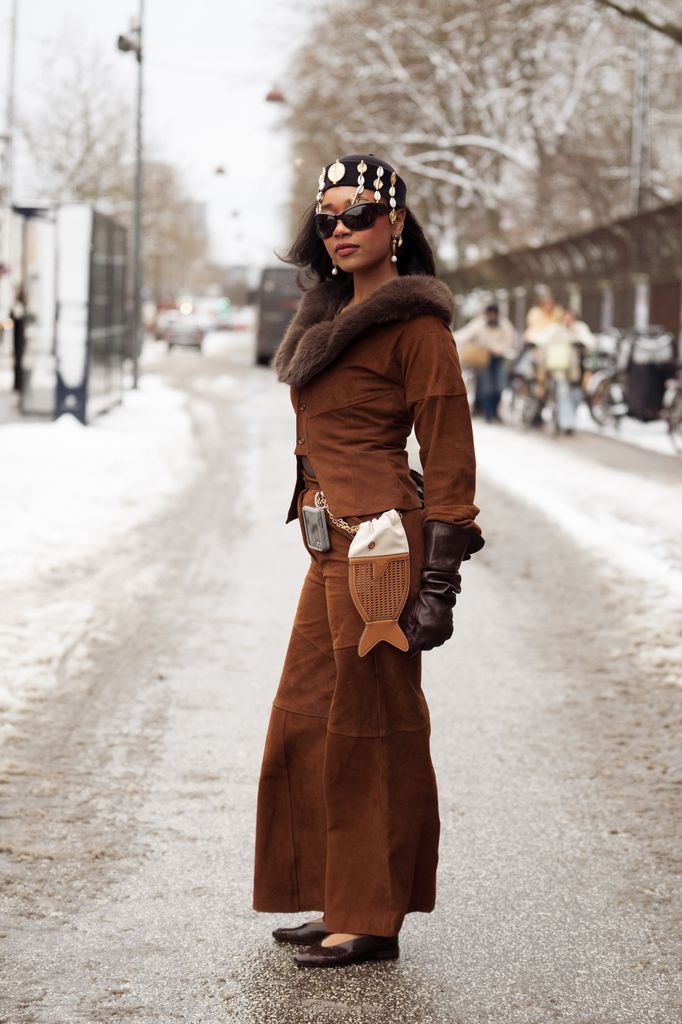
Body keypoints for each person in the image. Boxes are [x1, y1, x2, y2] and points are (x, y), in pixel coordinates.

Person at [253, 154, 484, 969]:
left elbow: (450, 456)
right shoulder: (326, 318)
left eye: (358, 213)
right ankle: (335, 892)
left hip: (382, 550)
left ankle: (371, 915)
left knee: (373, 728)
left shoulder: (417, 328)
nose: (341, 229)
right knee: (308, 716)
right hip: (328, 546)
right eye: (327, 218)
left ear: (395, 222)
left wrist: (439, 581)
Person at [535, 309, 594, 433]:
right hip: (559, 367)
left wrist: (581, 344)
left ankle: (568, 418)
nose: (567, 320)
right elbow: (541, 339)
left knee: (577, 395)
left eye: (570, 317)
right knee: (563, 392)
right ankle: (567, 424)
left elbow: (590, 342)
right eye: (565, 317)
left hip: (576, 369)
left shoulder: (580, 329)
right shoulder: (555, 329)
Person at [455, 302, 516, 422]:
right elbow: (464, 334)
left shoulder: (505, 326)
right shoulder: (479, 324)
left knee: (499, 387)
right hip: (483, 359)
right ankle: (488, 414)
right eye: (490, 314)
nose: (492, 316)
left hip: (499, 359)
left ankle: (495, 412)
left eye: (495, 314)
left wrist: (497, 349)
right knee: (486, 387)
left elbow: (509, 341)